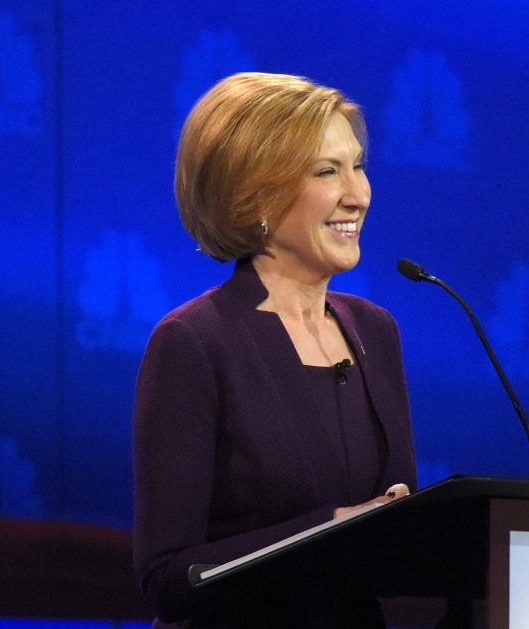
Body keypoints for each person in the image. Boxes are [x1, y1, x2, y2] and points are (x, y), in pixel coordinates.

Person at [132, 72, 417, 628]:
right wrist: (331, 526)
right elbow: (167, 579)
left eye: (357, 166)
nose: (358, 194)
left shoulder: (375, 332)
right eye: (326, 171)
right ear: (256, 194)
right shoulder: (194, 343)